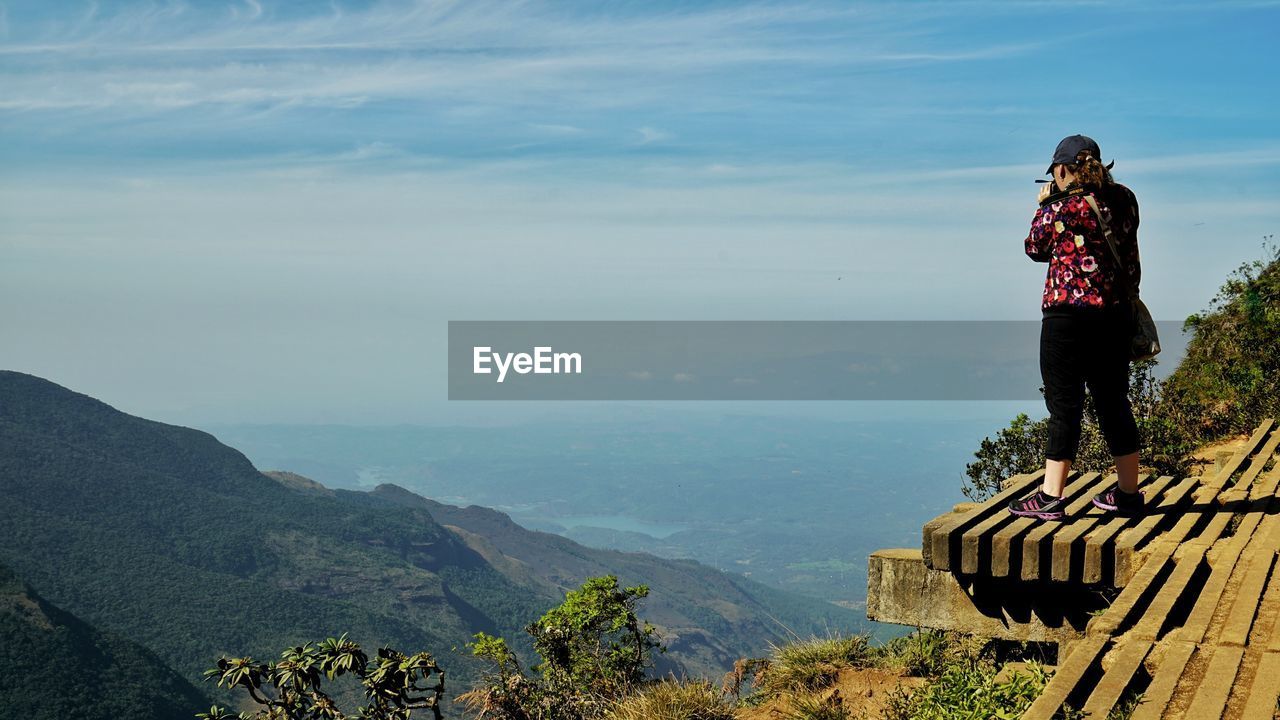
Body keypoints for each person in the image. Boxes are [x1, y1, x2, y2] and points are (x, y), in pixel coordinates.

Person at [1007, 134, 1144, 521]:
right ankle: (1128, 493)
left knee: (1064, 404)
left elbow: (1035, 247)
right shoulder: (1126, 201)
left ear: (1062, 169)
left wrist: (1045, 203)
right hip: (1115, 317)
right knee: (1114, 401)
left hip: (1067, 318)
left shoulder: (1057, 209)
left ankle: (1051, 496)